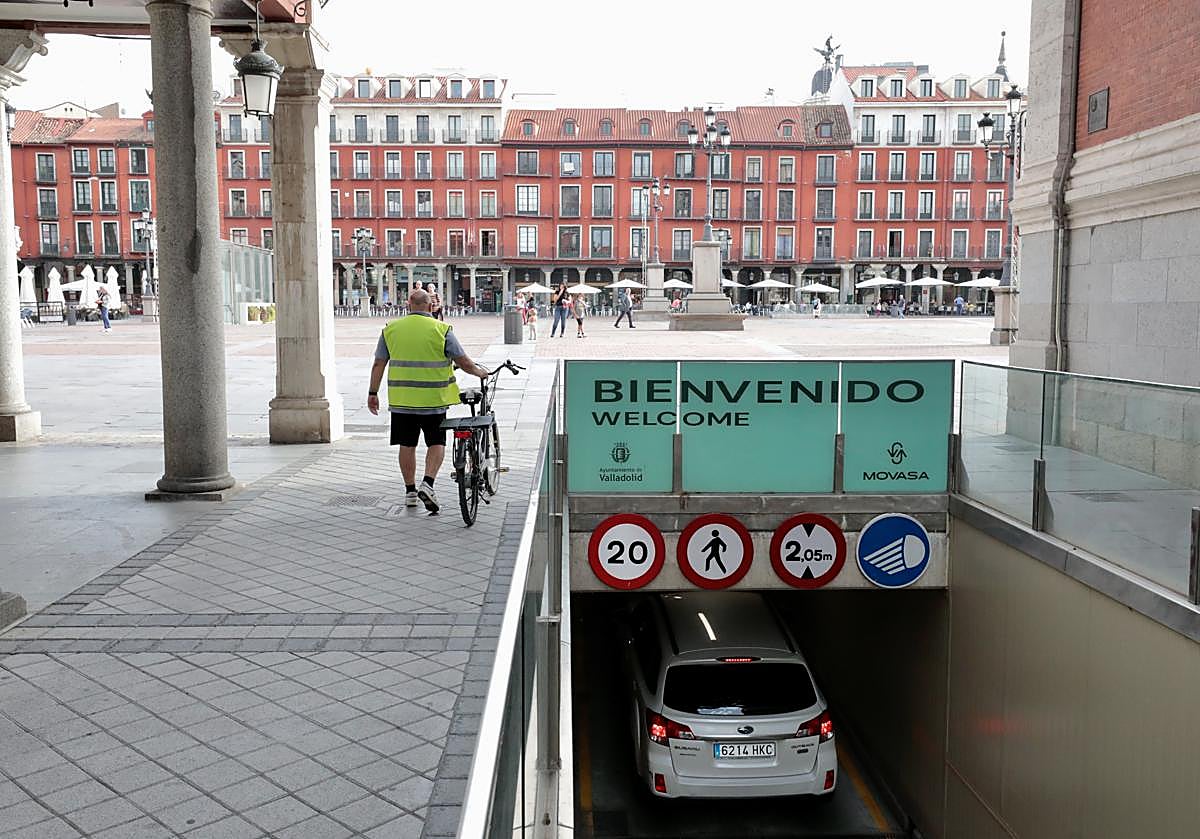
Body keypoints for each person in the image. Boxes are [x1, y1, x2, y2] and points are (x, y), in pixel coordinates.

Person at [367, 288, 490, 514]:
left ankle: (410, 492)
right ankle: (428, 483)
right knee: (436, 443)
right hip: (433, 400)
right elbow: (463, 362)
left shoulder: (391, 330)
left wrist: (373, 393)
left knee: (407, 445)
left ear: (408, 304)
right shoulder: (441, 329)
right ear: (431, 306)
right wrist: (480, 373)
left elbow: (378, 364)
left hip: (403, 401)